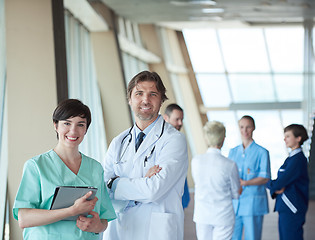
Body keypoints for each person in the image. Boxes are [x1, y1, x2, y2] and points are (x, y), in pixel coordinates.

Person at [13, 99, 116, 240]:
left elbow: (104, 220)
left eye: (80, 124)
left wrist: (96, 225)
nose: (73, 131)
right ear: (56, 125)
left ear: (86, 129)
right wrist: (71, 211)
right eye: (67, 123)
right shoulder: (36, 166)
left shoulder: (95, 168)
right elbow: (24, 219)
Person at [103, 71, 188, 240]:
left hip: (156, 231)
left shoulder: (174, 140)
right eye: (139, 93)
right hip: (121, 229)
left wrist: (116, 182)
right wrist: (143, 182)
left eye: (153, 94)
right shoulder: (118, 142)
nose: (145, 100)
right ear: (130, 99)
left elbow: (153, 190)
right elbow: (104, 189)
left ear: (162, 100)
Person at [192, 121, 241, 240]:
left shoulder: (196, 161)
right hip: (223, 216)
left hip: (202, 215)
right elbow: (236, 193)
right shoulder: (230, 164)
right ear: (223, 139)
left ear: (206, 139)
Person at [228, 115, 271, 240]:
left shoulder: (262, 152)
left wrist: (246, 183)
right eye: (242, 127)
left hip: (253, 203)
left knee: (252, 237)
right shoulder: (233, 152)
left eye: (248, 127)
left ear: (253, 128)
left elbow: (265, 177)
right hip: (235, 203)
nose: (244, 131)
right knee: (232, 236)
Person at [267, 124, 309, 240]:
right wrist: (276, 187)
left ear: (298, 138)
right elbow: (280, 183)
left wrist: (266, 182)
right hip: (285, 207)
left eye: (288, 136)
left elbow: (280, 183)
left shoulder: (298, 159)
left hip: (292, 207)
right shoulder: (291, 158)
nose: (284, 139)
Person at [163, 103, 190, 209]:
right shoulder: (161, 140)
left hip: (180, 195)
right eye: (177, 119)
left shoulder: (179, 139)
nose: (180, 123)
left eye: (182, 119)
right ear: (166, 118)